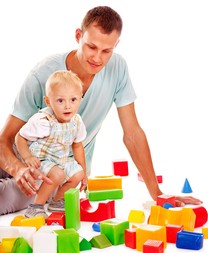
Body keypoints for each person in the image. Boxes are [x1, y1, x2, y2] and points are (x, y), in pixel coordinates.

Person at [0, 6, 202, 215]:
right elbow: (4, 140)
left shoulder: (117, 68)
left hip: (59, 175)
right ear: (78, 36)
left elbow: (132, 134)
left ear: (116, 45)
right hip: (24, 157)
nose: (97, 58)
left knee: (4, 198)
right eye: (91, 47)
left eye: (107, 51)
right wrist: (18, 169)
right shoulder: (42, 74)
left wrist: (158, 194)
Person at [15, 70, 87, 218]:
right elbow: (19, 137)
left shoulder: (77, 121)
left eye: (73, 100)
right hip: (40, 158)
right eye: (60, 101)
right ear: (48, 101)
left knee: (78, 173)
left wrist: (84, 173)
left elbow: (77, 145)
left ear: (80, 98)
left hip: (60, 159)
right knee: (57, 174)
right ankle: (36, 205)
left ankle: (57, 201)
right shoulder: (43, 121)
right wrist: (27, 157)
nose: (68, 106)